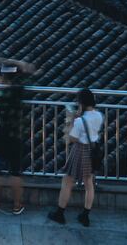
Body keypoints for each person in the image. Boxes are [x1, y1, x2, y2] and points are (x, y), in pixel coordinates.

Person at [48, 87, 103, 225]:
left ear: (81, 103)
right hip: (92, 149)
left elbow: (72, 138)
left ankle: (60, 213)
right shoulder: (99, 115)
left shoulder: (80, 121)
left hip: (80, 150)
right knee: (89, 182)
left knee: (67, 181)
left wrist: (72, 120)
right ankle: (85, 215)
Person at [0, 62, 31, 214]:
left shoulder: (0, 94)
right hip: (17, 135)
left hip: (2, 134)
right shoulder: (19, 90)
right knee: (15, 171)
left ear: (2, 77)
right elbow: (28, 69)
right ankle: (17, 205)